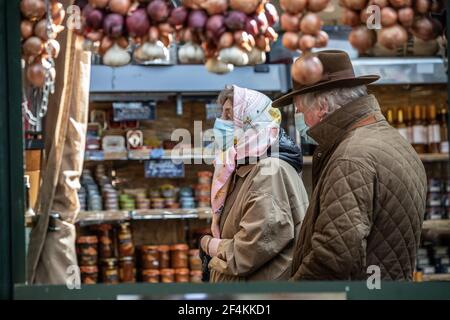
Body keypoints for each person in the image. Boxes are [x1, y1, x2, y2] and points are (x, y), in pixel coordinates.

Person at [272, 50, 427, 281]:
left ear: (322, 105)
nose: (303, 120)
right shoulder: (392, 141)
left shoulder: (350, 159)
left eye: (300, 111)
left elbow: (332, 257)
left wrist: (288, 294)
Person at [200, 85, 309, 282]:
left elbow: (254, 247)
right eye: (222, 115)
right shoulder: (244, 168)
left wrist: (211, 246)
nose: (220, 123)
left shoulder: (269, 172)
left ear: (253, 122)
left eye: (229, 116)